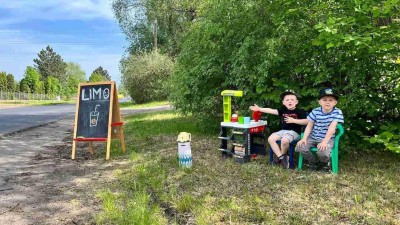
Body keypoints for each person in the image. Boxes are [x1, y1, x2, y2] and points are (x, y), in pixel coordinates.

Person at [249, 90, 308, 168]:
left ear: (296, 102)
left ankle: (282, 157)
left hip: (295, 133)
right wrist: (260, 109)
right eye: (287, 100)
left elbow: (307, 122)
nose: (290, 101)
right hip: (283, 131)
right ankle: (282, 158)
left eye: (292, 100)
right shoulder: (283, 110)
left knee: (284, 140)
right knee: (270, 139)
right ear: (283, 102)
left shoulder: (300, 111)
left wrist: (294, 120)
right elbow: (271, 110)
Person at [296, 88, 344, 171]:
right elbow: (309, 126)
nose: (327, 102)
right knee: (300, 147)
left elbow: (332, 128)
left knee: (322, 151)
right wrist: (304, 138)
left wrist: (324, 142)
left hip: (327, 138)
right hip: (313, 137)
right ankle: (313, 162)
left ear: (335, 102)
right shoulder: (315, 111)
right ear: (319, 102)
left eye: (331, 100)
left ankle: (325, 163)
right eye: (324, 100)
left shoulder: (337, 112)